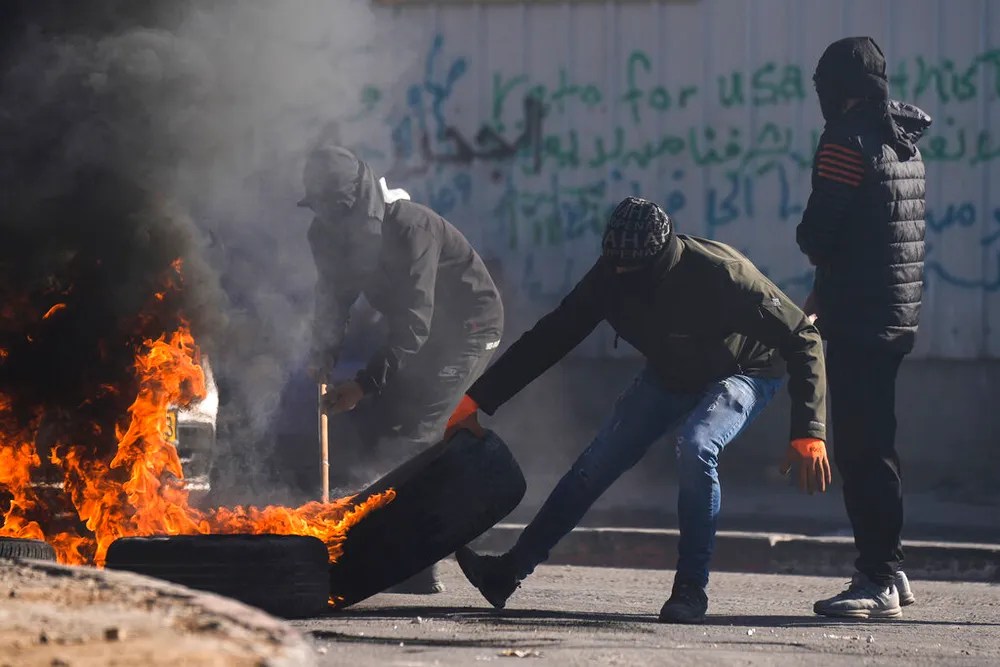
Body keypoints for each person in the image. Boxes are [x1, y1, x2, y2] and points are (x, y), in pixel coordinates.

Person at [446, 196, 830, 624]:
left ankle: (690, 591)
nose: (622, 278)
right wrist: (478, 399)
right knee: (595, 465)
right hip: (672, 371)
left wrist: (809, 430)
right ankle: (508, 573)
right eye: (615, 267)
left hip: (746, 369)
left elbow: (802, 337)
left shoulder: (720, 274)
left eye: (634, 272)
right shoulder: (610, 274)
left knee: (697, 444)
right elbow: (551, 336)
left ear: (659, 260)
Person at [302, 145, 503, 593]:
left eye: (334, 211)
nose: (328, 223)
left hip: (467, 329)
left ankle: (415, 565)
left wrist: (363, 384)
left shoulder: (411, 227)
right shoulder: (325, 234)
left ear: (354, 202)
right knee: (385, 428)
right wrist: (324, 352)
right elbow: (333, 298)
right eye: (319, 209)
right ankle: (382, 543)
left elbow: (415, 321)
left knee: (416, 436)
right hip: (418, 335)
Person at [797, 36, 931, 619]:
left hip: (857, 318)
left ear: (840, 89)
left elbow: (817, 234)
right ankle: (891, 570)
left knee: (861, 451)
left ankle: (876, 578)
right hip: (894, 313)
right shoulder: (904, 143)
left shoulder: (844, 143)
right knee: (878, 445)